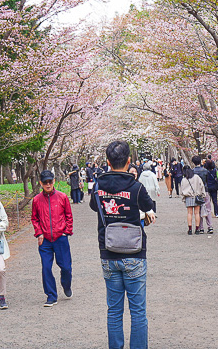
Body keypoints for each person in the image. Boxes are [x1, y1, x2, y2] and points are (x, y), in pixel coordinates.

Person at [90, 140, 156, 349]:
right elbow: (149, 209)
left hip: (108, 253)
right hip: (134, 253)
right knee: (137, 311)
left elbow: (94, 206)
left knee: (114, 310)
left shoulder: (99, 186)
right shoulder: (136, 187)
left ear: (108, 162)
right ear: (129, 161)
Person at [31, 169, 74, 307]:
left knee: (66, 267)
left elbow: (69, 215)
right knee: (46, 268)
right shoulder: (37, 200)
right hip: (45, 240)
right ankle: (51, 295)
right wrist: (39, 233)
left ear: (54, 181)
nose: (48, 184)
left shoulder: (62, 197)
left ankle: (66, 285)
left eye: (50, 181)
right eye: (45, 182)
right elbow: (34, 218)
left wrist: (66, 231)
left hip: (60, 237)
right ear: (41, 183)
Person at [181, 163, 207, 235]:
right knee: (197, 213)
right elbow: (202, 186)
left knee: (189, 213)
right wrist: (203, 195)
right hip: (197, 197)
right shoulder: (196, 177)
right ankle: (197, 229)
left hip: (188, 197)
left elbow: (182, 190)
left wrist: (183, 198)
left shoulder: (184, 179)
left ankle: (189, 229)